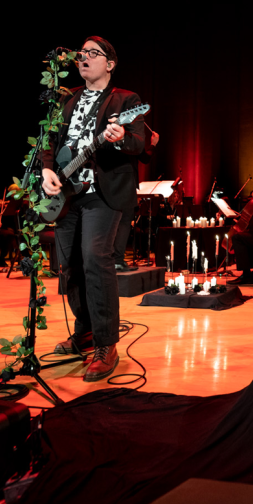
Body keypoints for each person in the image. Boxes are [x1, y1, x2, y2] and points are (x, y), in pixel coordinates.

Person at [42, 36, 145, 382]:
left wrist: (120, 139)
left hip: (103, 192)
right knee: (68, 265)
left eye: (93, 53)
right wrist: (46, 171)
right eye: (81, 54)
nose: (83, 57)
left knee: (94, 258)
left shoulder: (125, 100)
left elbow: (138, 142)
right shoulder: (67, 98)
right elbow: (49, 141)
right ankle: (85, 331)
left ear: (110, 64)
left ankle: (106, 344)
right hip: (66, 192)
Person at [112, 127, 160, 271]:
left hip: (109, 182)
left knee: (112, 221)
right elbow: (145, 157)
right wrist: (153, 144)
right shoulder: (129, 137)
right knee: (125, 221)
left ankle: (109, 259)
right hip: (126, 182)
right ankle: (117, 260)